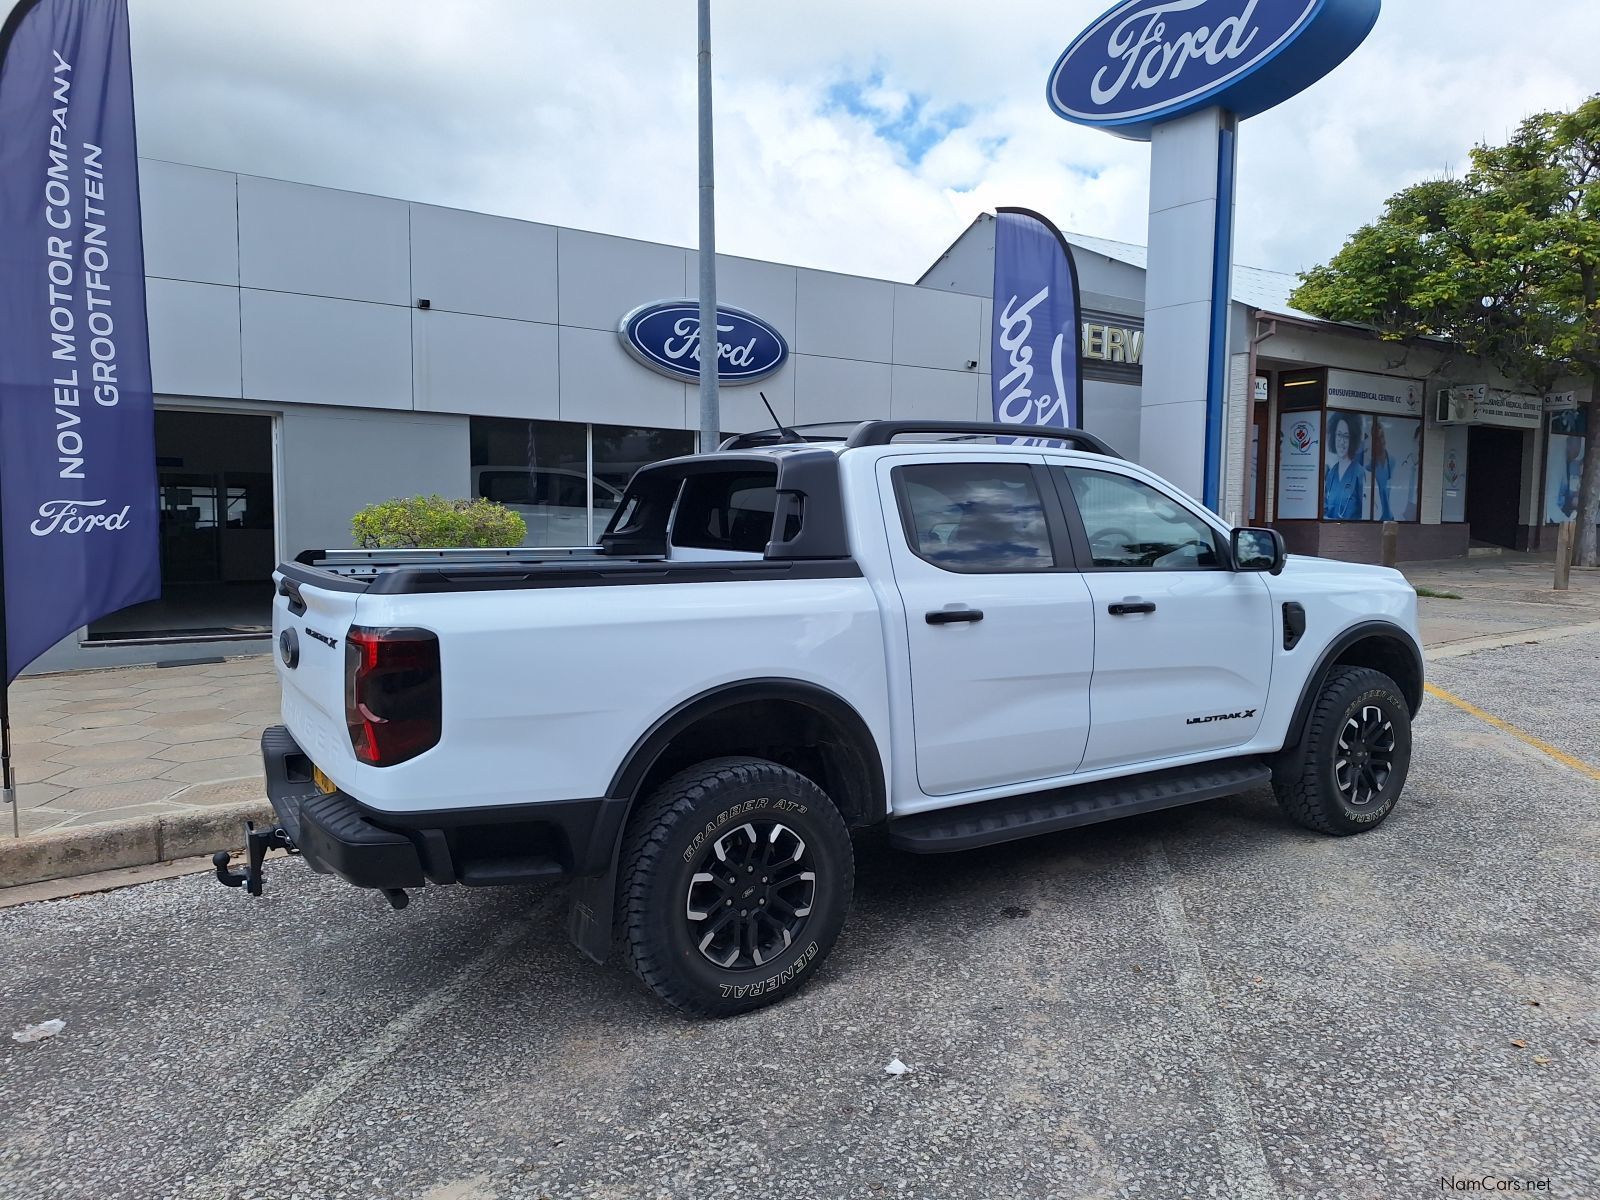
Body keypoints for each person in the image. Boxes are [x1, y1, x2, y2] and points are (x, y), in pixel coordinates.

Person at [1323, 412, 1367, 520]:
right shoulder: (1331, 473)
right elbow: (1325, 509)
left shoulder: (1360, 474)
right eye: (1339, 435)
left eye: (1346, 436)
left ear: (1352, 440)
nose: (1341, 441)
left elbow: (1365, 513)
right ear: (1334, 436)